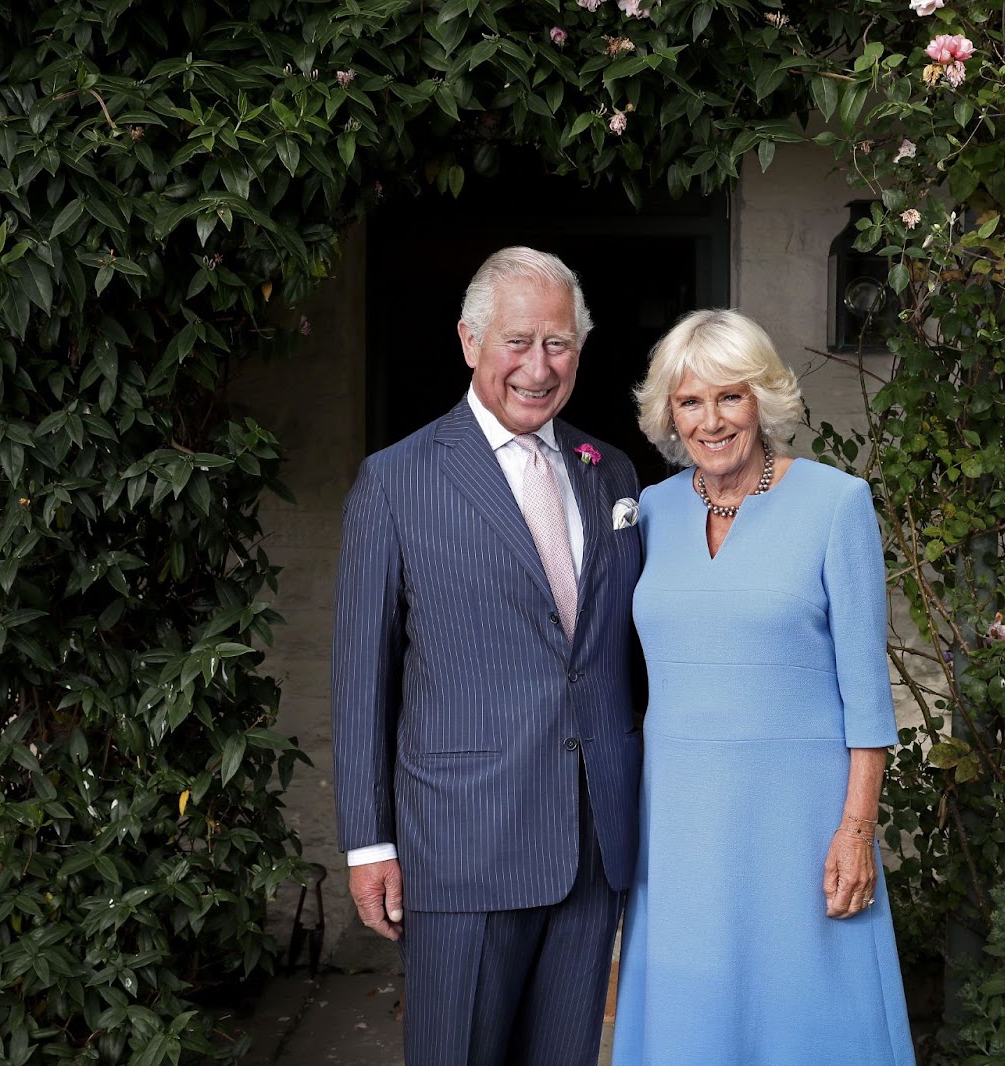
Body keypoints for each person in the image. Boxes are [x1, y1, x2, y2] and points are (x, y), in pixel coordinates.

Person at [332, 247, 644, 1065]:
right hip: (461, 845)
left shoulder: (611, 473)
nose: (539, 367)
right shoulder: (395, 481)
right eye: (518, 341)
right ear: (470, 342)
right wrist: (369, 843)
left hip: (593, 841)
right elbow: (363, 679)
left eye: (560, 343)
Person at [611, 309, 914, 1065]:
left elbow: (866, 696)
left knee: (806, 1018)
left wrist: (855, 830)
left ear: (763, 401)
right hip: (677, 821)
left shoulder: (836, 504)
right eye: (690, 401)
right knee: (693, 1019)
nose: (710, 421)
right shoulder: (649, 512)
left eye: (729, 397)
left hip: (799, 819)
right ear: (669, 415)